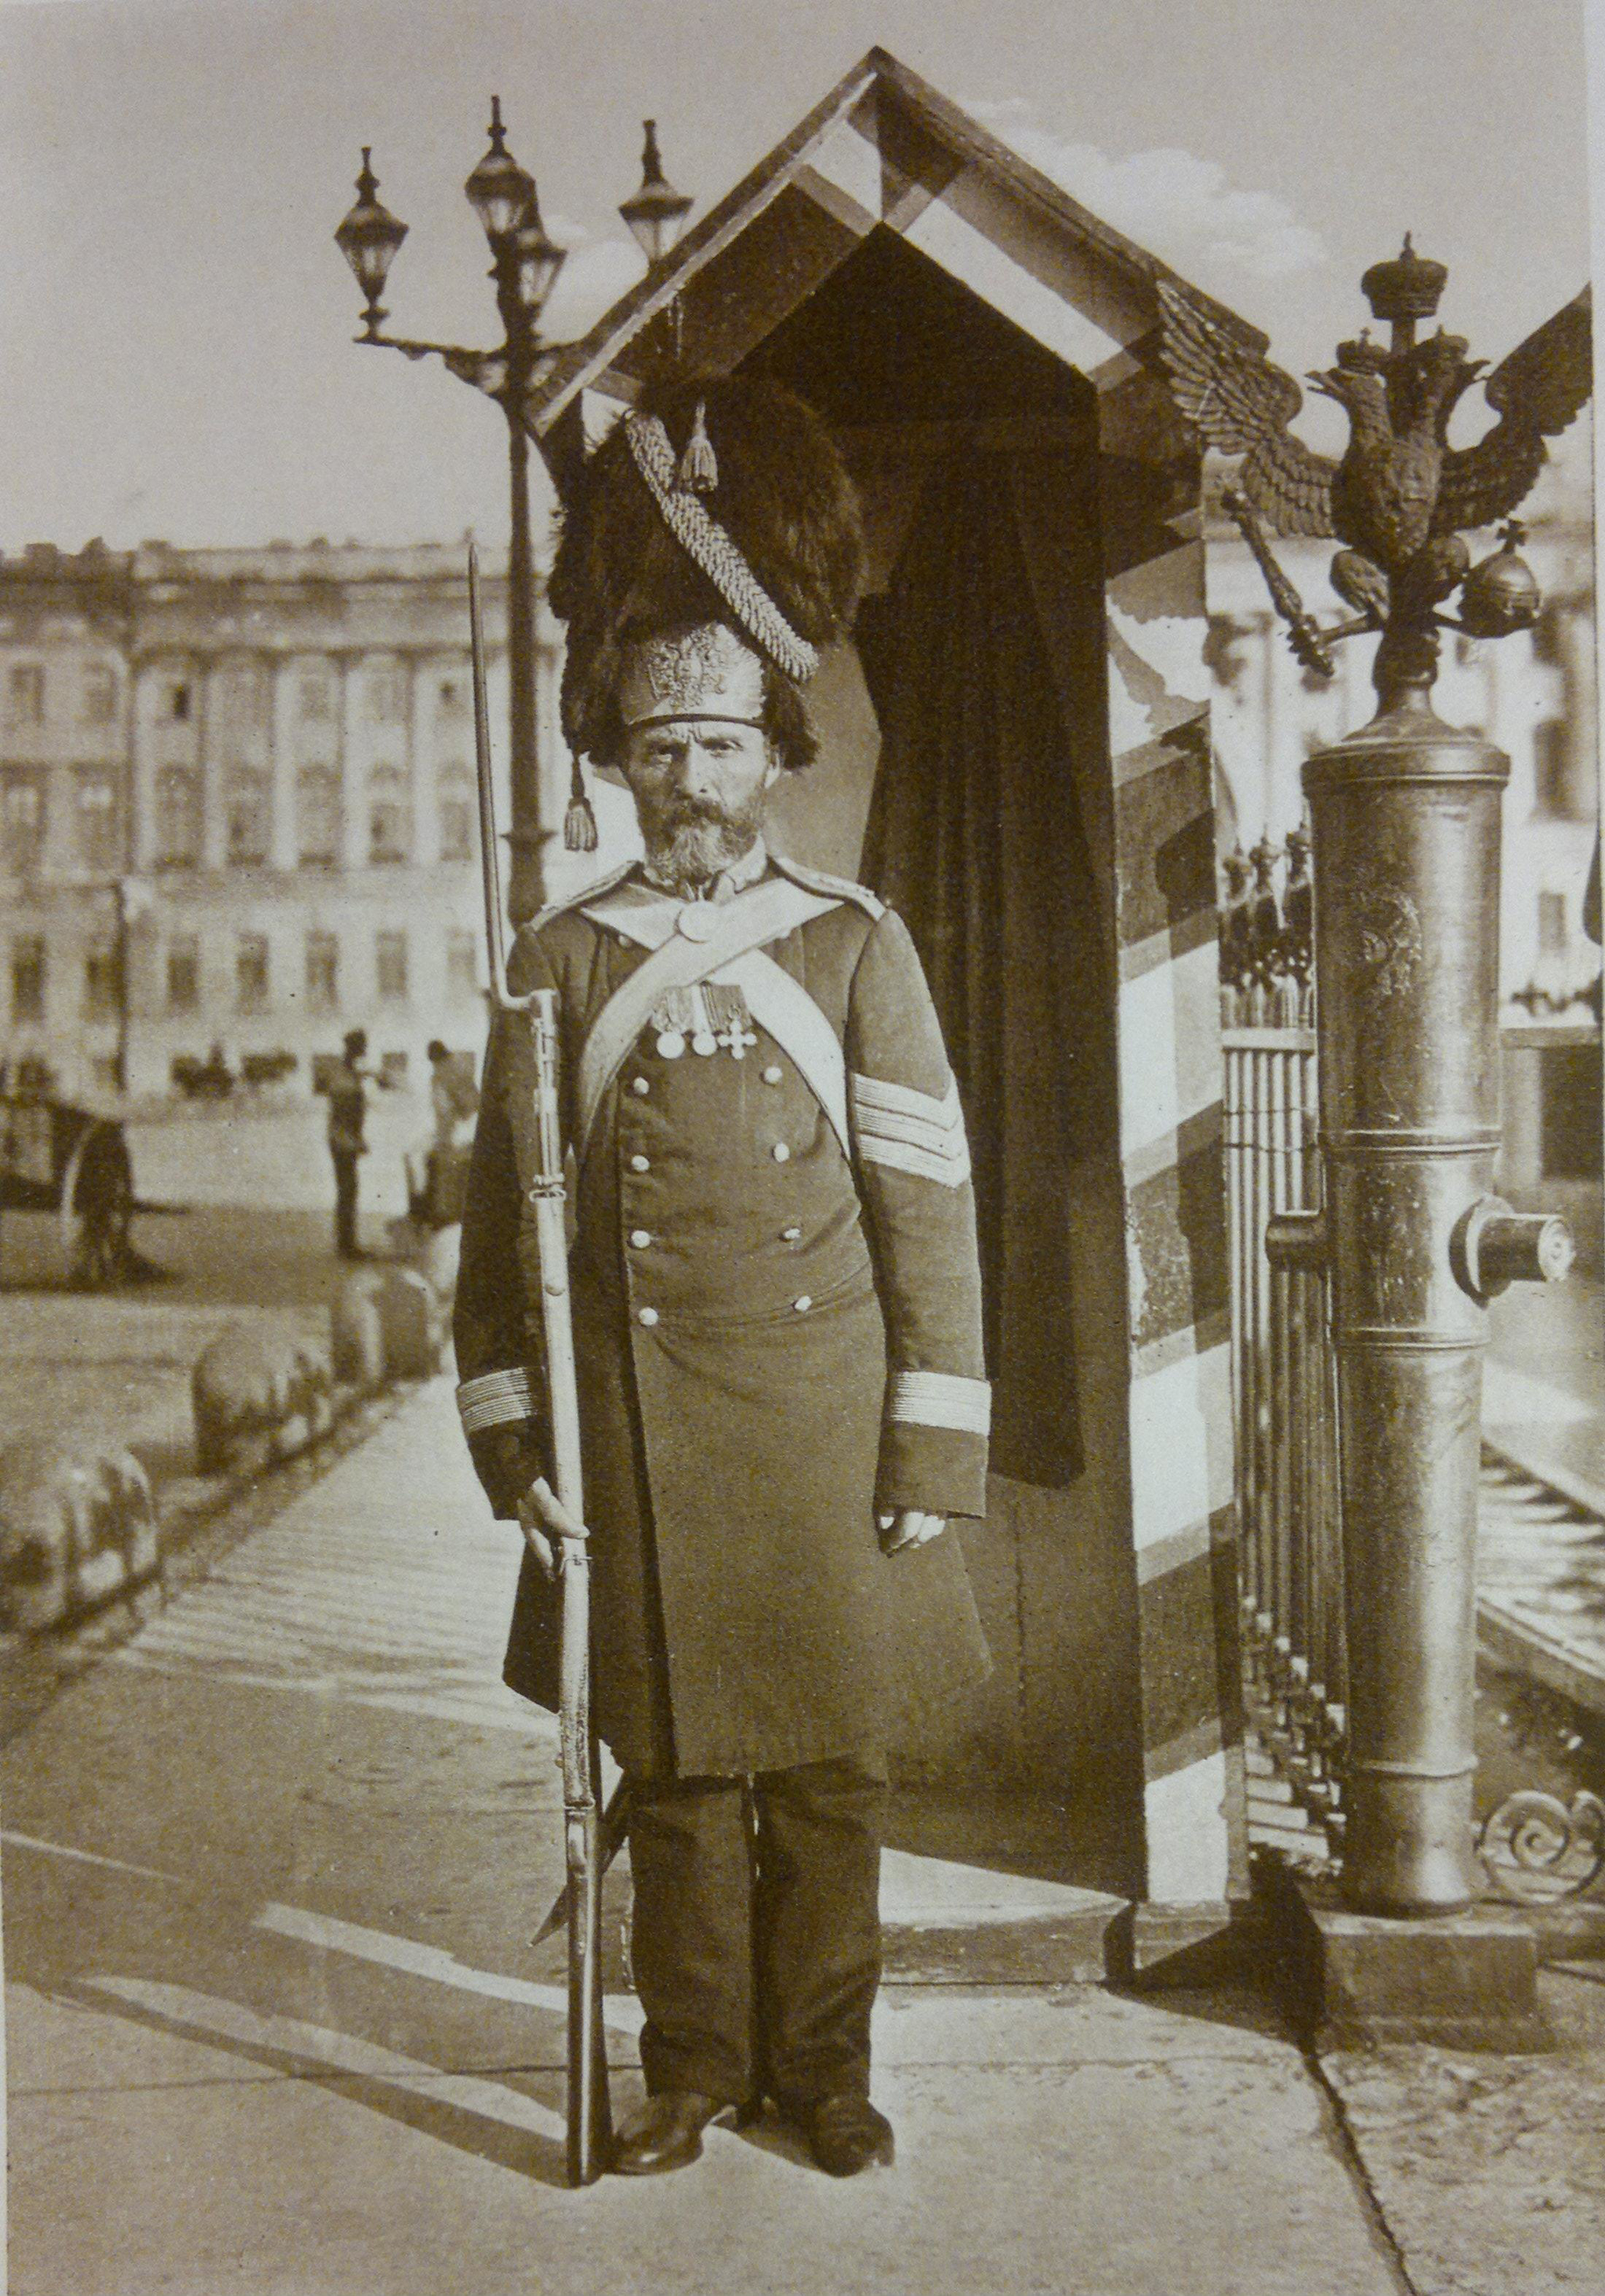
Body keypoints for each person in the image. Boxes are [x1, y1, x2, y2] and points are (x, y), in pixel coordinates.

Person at [452, 376, 991, 2181]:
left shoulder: (854, 950)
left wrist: (926, 1448)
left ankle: (821, 2073)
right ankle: (688, 2069)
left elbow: (927, 1209)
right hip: (633, 1420)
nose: (690, 782)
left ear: (776, 759)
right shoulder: (560, 952)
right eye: (659, 752)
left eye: (722, 750)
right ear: (622, 764)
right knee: (674, 1769)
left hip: (820, 1419)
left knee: (828, 1771)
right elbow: (490, 1231)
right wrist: (515, 1438)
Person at [326, 1027, 374, 1258]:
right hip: (342, 1140)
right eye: (363, 1046)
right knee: (348, 1190)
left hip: (342, 1139)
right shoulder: (346, 1075)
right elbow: (344, 1114)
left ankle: (346, 1242)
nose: (366, 1049)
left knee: (348, 1190)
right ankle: (347, 1245)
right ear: (357, 1048)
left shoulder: (346, 1069)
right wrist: (355, 1141)